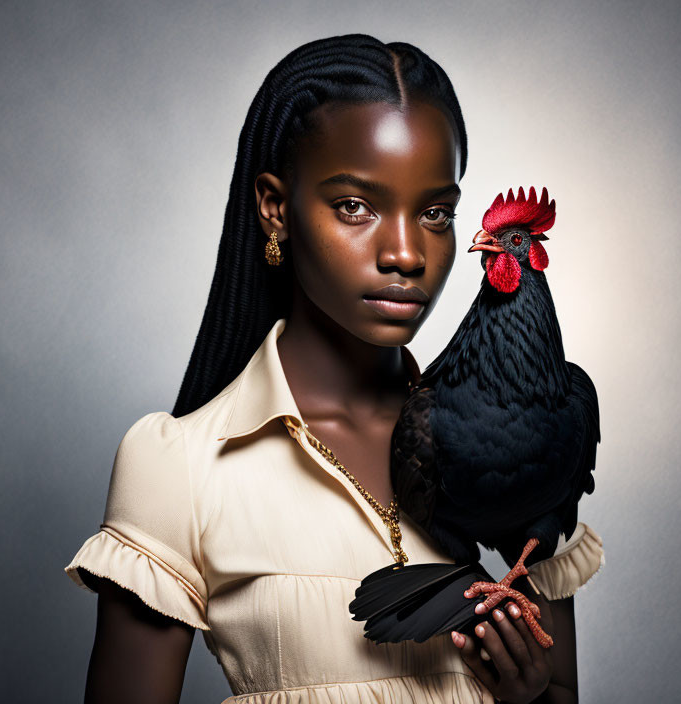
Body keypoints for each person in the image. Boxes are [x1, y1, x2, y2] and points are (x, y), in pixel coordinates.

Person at [64, 34, 604, 704]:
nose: (406, 252)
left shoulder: (530, 437)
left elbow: (562, 694)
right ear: (275, 207)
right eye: (356, 205)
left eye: (435, 212)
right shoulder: (179, 466)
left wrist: (527, 697)